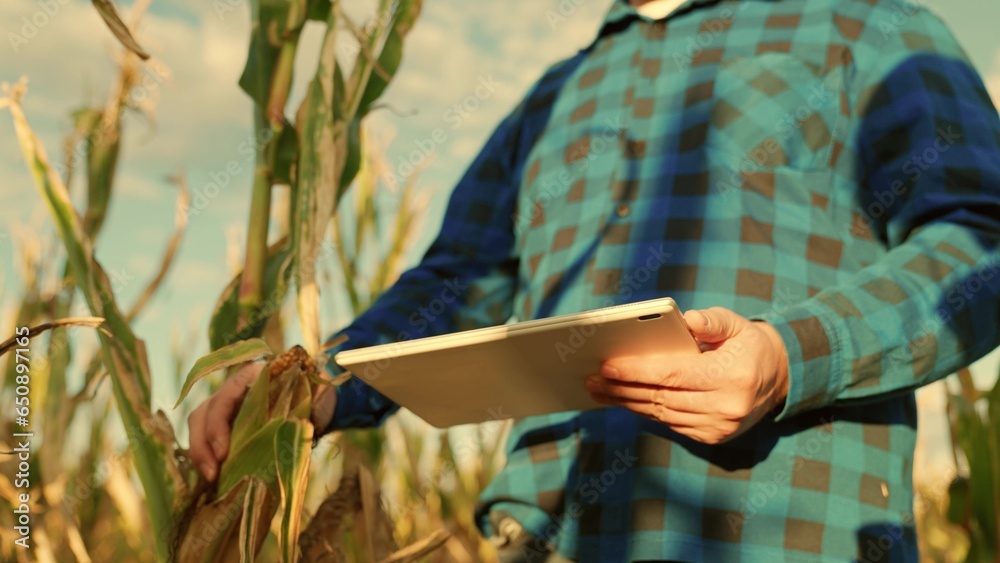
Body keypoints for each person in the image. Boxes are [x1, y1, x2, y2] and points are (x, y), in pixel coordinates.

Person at [189, 0, 1000, 560]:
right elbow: (458, 280)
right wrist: (304, 389)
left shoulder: (867, 27)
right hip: (541, 536)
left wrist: (792, 355)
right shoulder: (554, 94)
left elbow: (982, 244)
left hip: (783, 537)